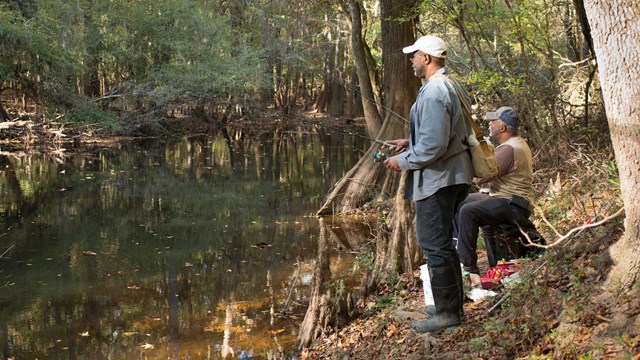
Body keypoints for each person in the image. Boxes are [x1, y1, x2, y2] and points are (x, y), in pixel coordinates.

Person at [383, 35, 473, 333]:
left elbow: (434, 145)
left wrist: (404, 161)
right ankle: (451, 306)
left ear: (428, 58)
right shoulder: (448, 84)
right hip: (451, 175)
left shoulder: (434, 90)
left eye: (415, 55)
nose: (412, 60)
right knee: (443, 243)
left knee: (434, 243)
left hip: (439, 180)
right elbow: (444, 133)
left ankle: (448, 314)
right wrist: (408, 142)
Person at [454, 106, 545, 277]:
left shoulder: (508, 149)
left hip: (514, 205)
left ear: (502, 127)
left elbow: (482, 177)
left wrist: (463, 163)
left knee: (468, 211)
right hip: (505, 198)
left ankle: (468, 266)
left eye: (493, 121)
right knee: (461, 201)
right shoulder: (514, 144)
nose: (489, 123)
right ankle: (457, 252)